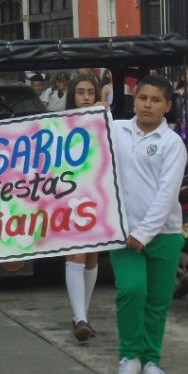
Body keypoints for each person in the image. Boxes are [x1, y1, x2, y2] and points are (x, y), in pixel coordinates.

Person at [110, 75, 186, 374]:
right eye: (143, 98)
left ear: (167, 106)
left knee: (157, 301)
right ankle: (129, 358)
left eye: (155, 100)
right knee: (131, 292)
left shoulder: (173, 143)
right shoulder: (114, 130)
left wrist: (144, 233)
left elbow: (167, 194)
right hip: (122, 233)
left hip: (163, 234)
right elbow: (72, 137)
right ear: (134, 100)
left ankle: (151, 360)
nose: (147, 105)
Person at [64, 73, 103, 342]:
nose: (86, 98)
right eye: (81, 92)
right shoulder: (60, 124)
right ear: (72, 95)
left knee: (92, 257)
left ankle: (84, 314)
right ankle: (79, 318)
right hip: (69, 196)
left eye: (91, 92)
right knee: (76, 254)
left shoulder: (106, 121)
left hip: (99, 196)